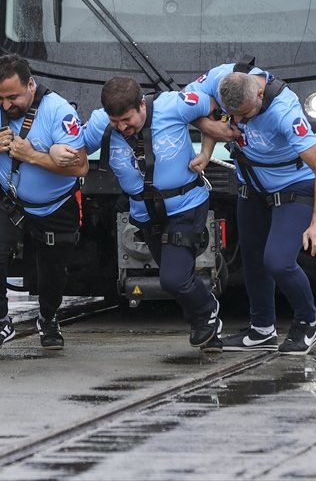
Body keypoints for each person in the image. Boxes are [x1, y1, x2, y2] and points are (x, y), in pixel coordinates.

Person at [187, 63, 316, 355]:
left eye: (244, 114)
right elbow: (187, 105)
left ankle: (308, 321)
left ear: (258, 93)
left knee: (278, 261)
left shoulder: (285, 112)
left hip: (293, 186)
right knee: (253, 260)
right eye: (233, 115)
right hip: (252, 186)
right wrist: (208, 138)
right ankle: (261, 329)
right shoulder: (221, 78)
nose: (238, 121)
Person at [78, 76, 223, 352]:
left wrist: (206, 150)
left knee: (173, 278)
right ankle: (206, 329)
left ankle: (207, 309)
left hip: (186, 204)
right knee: (174, 278)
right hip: (145, 213)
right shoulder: (100, 122)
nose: (122, 128)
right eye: (115, 122)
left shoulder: (173, 105)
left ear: (141, 106)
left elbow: (213, 106)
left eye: (127, 120)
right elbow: (77, 148)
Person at [0, 54, 88, 352]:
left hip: (55, 204)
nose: (5, 105)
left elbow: (81, 167)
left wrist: (32, 155)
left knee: (53, 270)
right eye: (0, 97)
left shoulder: (58, 111)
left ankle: (48, 318)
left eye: (13, 97)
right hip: (10, 199)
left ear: (30, 84)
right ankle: (1, 321)